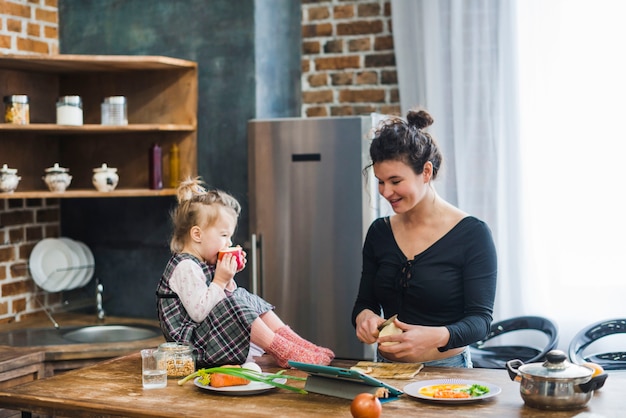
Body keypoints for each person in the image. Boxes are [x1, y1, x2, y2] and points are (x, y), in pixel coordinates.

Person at [351, 108, 497, 368]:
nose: (386, 192)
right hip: (386, 370)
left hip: (449, 371)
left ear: (426, 172)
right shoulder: (379, 232)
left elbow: (480, 322)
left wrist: (436, 337)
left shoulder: (473, 234)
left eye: (395, 181)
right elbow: (365, 302)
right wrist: (364, 318)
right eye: (380, 182)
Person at [156, 177, 334, 368]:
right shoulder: (185, 267)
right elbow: (200, 313)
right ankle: (284, 351)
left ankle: (297, 345)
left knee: (242, 296)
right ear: (197, 234)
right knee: (234, 303)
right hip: (191, 347)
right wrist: (220, 279)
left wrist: (228, 278)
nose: (229, 243)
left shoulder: (203, 263)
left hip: (208, 336)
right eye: (224, 235)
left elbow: (221, 300)